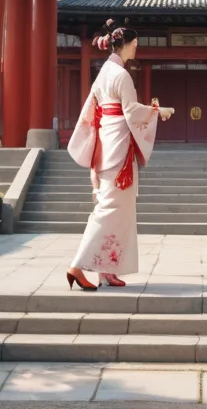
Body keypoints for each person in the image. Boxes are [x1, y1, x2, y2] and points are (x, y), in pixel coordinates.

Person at [65, 19, 173, 290]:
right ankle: (77, 266)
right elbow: (131, 112)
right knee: (109, 209)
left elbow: (96, 111)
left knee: (116, 210)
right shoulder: (121, 75)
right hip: (117, 152)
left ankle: (106, 269)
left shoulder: (104, 72)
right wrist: (159, 111)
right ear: (129, 44)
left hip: (105, 147)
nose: (137, 50)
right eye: (136, 45)